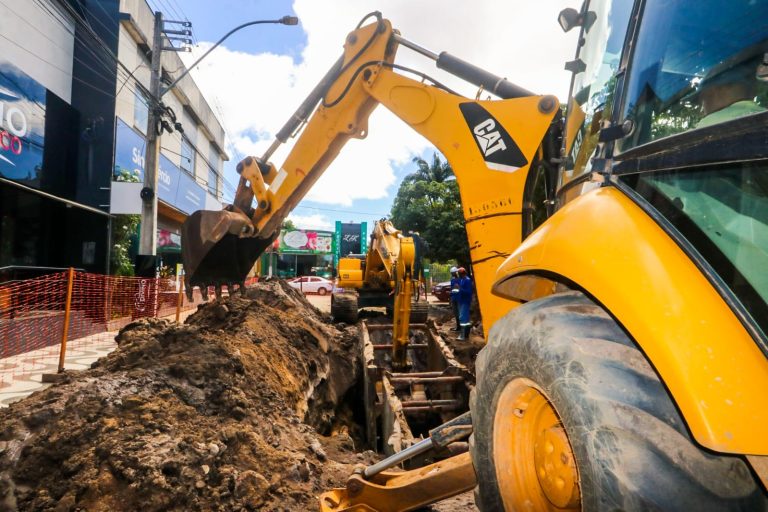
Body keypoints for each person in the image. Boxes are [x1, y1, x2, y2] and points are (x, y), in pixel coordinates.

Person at [456, 267, 473, 341]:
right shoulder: (463, 280)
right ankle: (466, 335)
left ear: (461, 273)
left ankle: (463, 336)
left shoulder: (467, 280)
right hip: (462, 301)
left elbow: (468, 292)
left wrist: (460, 289)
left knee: (463, 318)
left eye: (459, 273)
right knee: (465, 319)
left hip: (465, 301)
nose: (458, 275)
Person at [449, 266, 460, 331]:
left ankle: (459, 327)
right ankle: (459, 326)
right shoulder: (456, 280)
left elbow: (455, 289)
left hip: (457, 299)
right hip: (455, 298)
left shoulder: (456, 280)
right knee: (457, 313)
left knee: (457, 313)